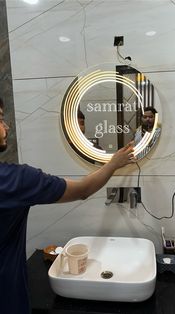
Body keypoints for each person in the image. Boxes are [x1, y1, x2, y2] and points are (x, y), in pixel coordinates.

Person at [0, 97, 135, 314]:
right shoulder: (16, 181)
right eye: (0, 119)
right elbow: (81, 191)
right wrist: (113, 164)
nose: (6, 126)